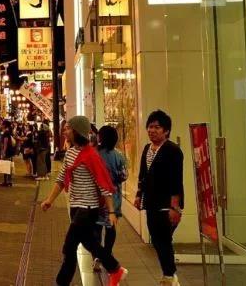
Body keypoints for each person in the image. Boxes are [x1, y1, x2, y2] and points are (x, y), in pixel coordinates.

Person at [40, 116, 128, 286]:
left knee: (69, 246)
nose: (64, 131)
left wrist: (111, 211)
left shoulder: (91, 155)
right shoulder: (70, 153)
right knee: (90, 244)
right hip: (75, 206)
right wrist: (49, 200)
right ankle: (115, 269)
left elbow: (103, 184)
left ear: (77, 131)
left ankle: (62, 282)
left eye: (68, 128)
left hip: (88, 208)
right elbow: (61, 179)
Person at [134, 110, 184, 286]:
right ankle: (169, 275)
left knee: (163, 239)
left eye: (157, 127)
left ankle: (170, 276)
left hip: (167, 203)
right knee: (157, 239)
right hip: (151, 202)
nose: (152, 130)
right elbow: (142, 175)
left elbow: (176, 180)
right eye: (150, 127)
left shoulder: (173, 150)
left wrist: (174, 207)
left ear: (166, 130)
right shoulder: (147, 149)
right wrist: (139, 195)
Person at [93, 125, 128, 272]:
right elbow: (123, 176)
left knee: (96, 227)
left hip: (96, 197)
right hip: (114, 197)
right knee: (111, 228)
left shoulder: (95, 154)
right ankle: (107, 255)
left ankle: (97, 257)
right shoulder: (119, 156)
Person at [0, 120, 16, 187]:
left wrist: (4, 152)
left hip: (7, 151)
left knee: (6, 166)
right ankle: (9, 181)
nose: (1, 125)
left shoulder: (6, 132)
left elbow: (5, 142)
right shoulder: (9, 132)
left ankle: (6, 181)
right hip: (10, 151)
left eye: (2, 124)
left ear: (4, 125)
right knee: (9, 166)